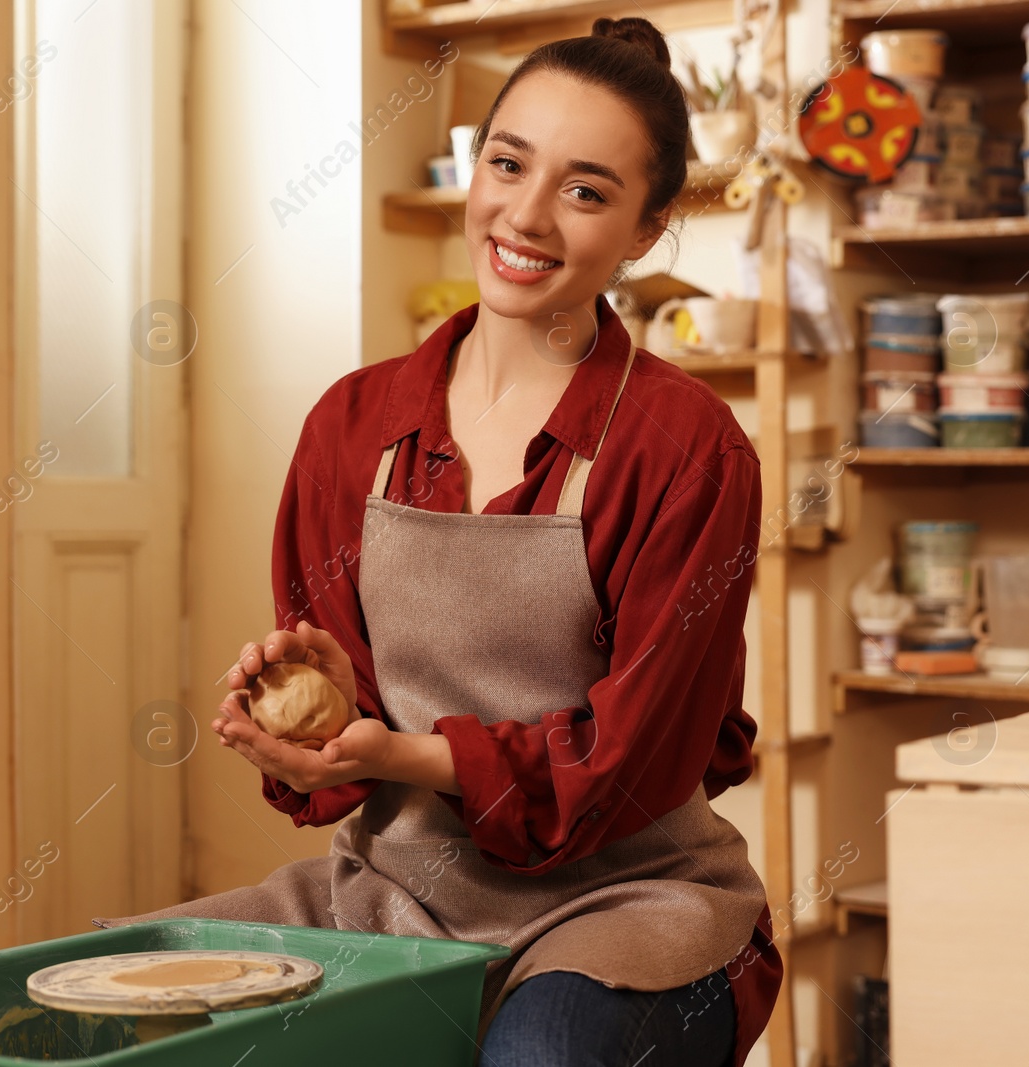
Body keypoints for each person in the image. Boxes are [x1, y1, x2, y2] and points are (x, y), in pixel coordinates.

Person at [97, 16, 782, 1066]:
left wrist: (405, 748)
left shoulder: (686, 447)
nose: (527, 213)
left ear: (646, 230)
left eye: (586, 190)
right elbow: (342, 750)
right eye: (508, 164)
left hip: (630, 900)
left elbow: (634, 762)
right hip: (391, 892)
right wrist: (319, 711)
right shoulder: (354, 425)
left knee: (540, 1057)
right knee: (117, 999)